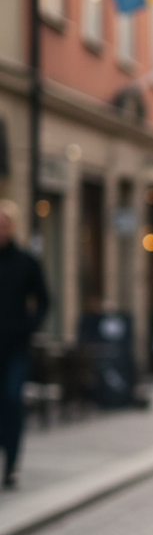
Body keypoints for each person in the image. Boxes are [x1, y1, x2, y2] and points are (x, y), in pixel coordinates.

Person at [0, 200, 50, 488]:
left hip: (16, 348)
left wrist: (28, 327)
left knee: (11, 399)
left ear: (12, 227)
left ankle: (11, 464)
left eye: (4, 224)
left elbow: (44, 300)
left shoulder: (25, 262)